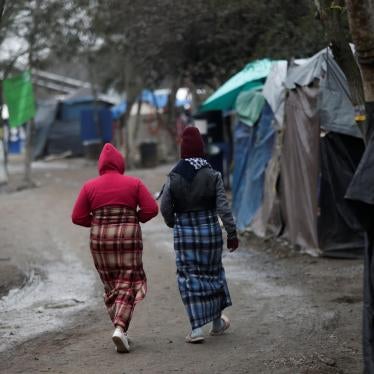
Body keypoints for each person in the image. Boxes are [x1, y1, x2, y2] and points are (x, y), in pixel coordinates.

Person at [71, 143, 158, 353]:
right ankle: (120, 328)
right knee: (128, 282)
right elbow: (152, 209)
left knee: (112, 285)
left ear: (100, 165)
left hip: (100, 241)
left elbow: (77, 217)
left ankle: (121, 329)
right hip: (128, 239)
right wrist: (134, 217)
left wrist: (98, 222)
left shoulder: (89, 186)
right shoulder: (134, 183)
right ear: (121, 164)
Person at [160, 126, 239, 343]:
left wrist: (173, 223)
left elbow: (165, 205)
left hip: (185, 234)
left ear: (182, 150)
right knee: (213, 274)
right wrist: (231, 233)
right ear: (202, 149)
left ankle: (196, 329)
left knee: (189, 278)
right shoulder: (212, 174)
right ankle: (216, 323)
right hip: (210, 232)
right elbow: (223, 208)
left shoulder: (174, 175)